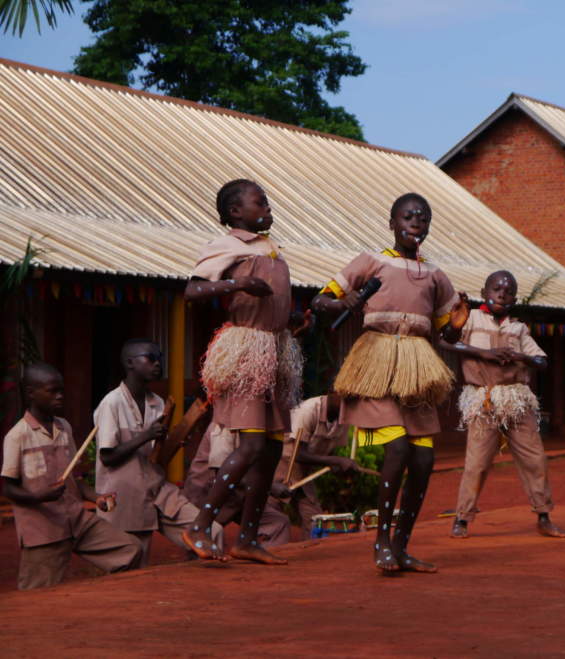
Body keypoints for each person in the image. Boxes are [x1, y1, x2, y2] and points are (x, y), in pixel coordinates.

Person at [311, 192, 469, 574]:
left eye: (423, 218)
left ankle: (401, 546)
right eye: (408, 216)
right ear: (392, 222)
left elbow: (447, 335)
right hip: (376, 365)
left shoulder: (435, 275)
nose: (416, 221)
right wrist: (342, 304)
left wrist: (459, 322)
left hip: (417, 369)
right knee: (396, 448)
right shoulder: (372, 262)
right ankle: (380, 541)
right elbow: (320, 302)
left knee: (424, 458)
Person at [181, 179, 307, 564]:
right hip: (245, 353)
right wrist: (239, 283)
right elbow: (192, 292)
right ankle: (201, 525)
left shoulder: (272, 249)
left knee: (270, 450)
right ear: (236, 212)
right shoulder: (226, 247)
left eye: (267, 201)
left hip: (274, 350)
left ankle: (248, 537)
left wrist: (294, 319)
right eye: (259, 201)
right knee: (251, 445)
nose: (267, 206)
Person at [443, 270, 565, 539]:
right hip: (483, 400)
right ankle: (462, 519)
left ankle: (544, 515)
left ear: (514, 298)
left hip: (515, 400)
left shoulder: (518, 328)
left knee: (534, 458)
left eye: (508, 290)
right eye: (497, 288)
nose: (502, 293)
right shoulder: (471, 318)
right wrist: (483, 352)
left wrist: (519, 356)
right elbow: (446, 340)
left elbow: (542, 361)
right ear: (485, 293)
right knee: (476, 462)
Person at [2, 363, 140, 590]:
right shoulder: (17, 436)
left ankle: (108, 605)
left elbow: (73, 478)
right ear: (30, 394)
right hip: (44, 531)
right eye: (52, 391)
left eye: (62, 391)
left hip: (77, 520)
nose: (60, 396)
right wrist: (40, 496)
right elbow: (8, 489)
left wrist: (97, 498)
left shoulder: (64, 427)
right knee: (36, 596)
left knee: (130, 549)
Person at [94, 339, 222, 566]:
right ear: (130, 363)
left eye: (159, 359)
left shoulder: (158, 403)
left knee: (211, 532)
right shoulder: (111, 403)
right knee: (133, 564)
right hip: (125, 495)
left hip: (158, 489)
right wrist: (146, 435)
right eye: (150, 358)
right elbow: (108, 457)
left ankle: (201, 591)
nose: (157, 364)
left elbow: (155, 457)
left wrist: (175, 442)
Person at [261, 394, 361, 546]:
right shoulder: (308, 410)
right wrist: (335, 461)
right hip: (281, 465)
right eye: (346, 399)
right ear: (332, 393)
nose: (349, 404)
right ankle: (269, 552)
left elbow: (329, 456)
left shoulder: (344, 418)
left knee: (314, 519)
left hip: (304, 472)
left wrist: (339, 467)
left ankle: (309, 558)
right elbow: (298, 454)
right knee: (274, 515)